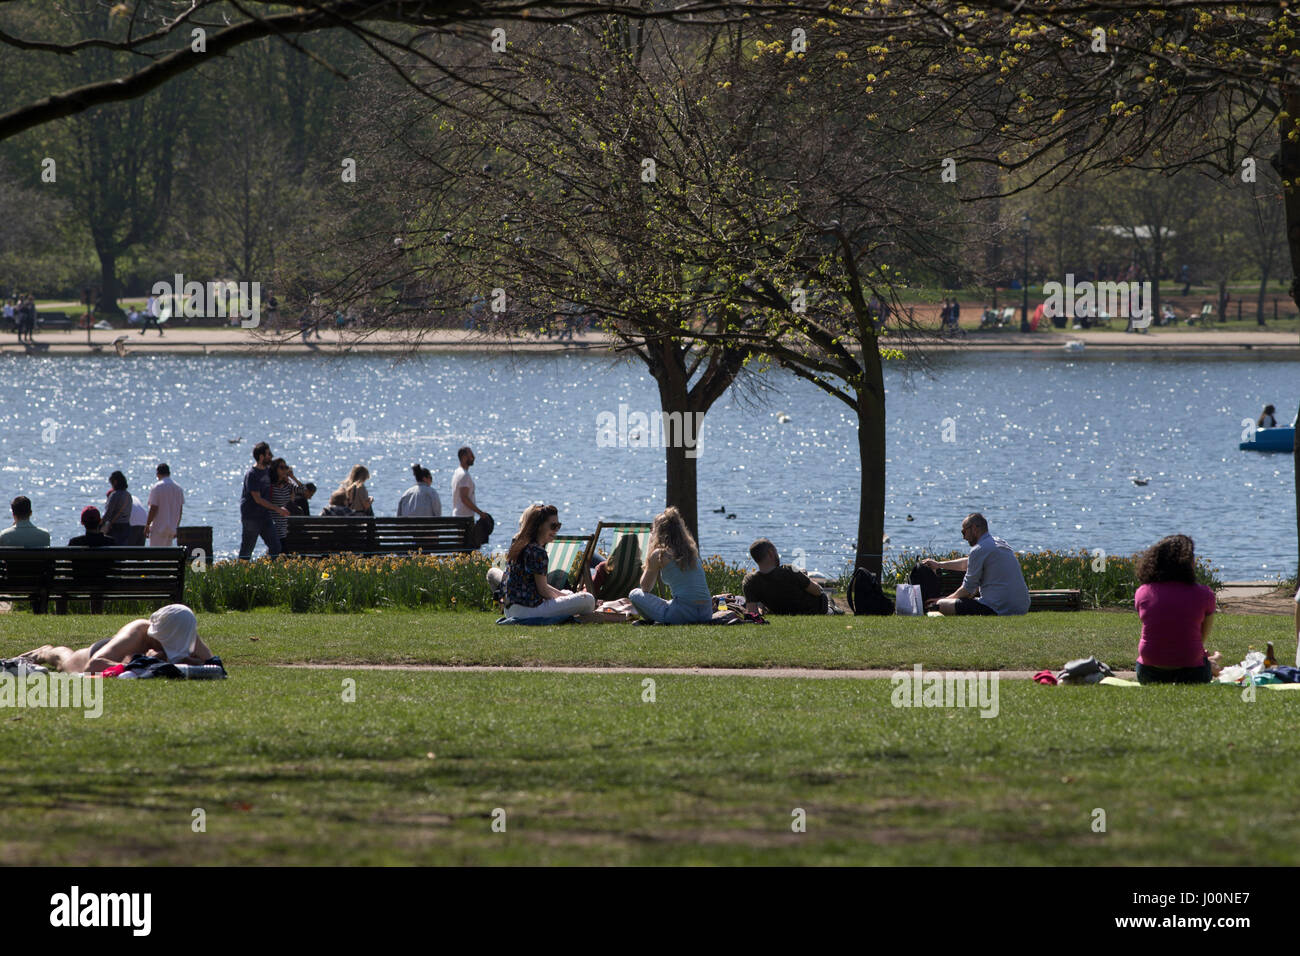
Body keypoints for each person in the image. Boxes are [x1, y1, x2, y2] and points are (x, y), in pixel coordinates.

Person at [17, 604, 214, 674]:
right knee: (62, 662)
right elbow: (93, 666)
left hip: (117, 655)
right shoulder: (138, 631)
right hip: (95, 655)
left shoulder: (183, 629)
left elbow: (211, 664)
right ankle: (43, 651)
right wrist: (144, 663)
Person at [1133, 535, 1221, 684]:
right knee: (1201, 661)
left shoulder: (1143, 592)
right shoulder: (1205, 594)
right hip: (1192, 674)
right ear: (1189, 563)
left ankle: (1210, 661)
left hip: (1148, 672)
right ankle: (1211, 662)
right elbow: (1200, 638)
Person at [922, 512, 1030, 616]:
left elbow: (967, 589)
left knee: (940, 605)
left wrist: (943, 600)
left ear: (974, 528)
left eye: (964, 532)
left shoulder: (979, 549)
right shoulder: (1000, 543)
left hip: (997, 608)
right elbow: (967, 563)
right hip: (1021, 607)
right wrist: (939, 565)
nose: (964, 537)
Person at [502, 504, 596, 620]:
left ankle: (568, 597)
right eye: (553, 526)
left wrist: (565, 596)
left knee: (567, 592)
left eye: (558, 526)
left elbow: (541, 587)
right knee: (588, 599)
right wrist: (563, 598)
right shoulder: (537, 551)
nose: (556, 530)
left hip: (510, 610)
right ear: (540, 526)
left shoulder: (519, 543)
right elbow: (543, 590)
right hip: (529, 611)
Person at [627, 507, 713, 624]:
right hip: (706, 613)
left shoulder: (660, 554)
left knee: (634, 594)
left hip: (681, 613)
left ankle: (654, 621)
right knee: (671, 602)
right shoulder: (691, 552)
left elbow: (645, 587)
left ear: (658, 533)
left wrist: (650, 556)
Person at [742, 538, 827, 615]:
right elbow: (817, 591)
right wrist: (806, 578)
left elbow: (752, 612)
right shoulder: (789, 570)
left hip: (778, 611)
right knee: (826, 596)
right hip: (812, 609)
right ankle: (833, 609)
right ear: (770, 553)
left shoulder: (750, 581)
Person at [239, 442, 288, 560]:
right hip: (251, 517)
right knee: (247, 550)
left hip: (265, 516)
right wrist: (277, 509)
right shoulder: (252, 474)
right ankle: (239, 573)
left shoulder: (267, 471)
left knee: (276, 546)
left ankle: (267, 570)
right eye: (268, 454)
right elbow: (258, 499)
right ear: (261, 457)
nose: (271, 456)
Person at [451, 446, 493, 546]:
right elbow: (464, 498)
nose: (474, 457)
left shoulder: (458, 472)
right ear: (464, 457)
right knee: (466, 548)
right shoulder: (464, 475)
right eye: (471, 455)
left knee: (462, 547)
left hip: (459, 515)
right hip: (464, 518)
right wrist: (480, 512)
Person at [144, 463, 185, 546]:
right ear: (169, 473)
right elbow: (180, 510)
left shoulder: (157, 487)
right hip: (171, 528)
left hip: (159, 528)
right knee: (167, 556)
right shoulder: (178, 488)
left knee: (155, 555)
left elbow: (154, 508)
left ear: (158, 474)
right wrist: (177, 526)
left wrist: (147, 525)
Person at [268, 458, 303, 544]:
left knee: (279, 549)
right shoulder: (270, 486)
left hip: (283, 525)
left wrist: (292, 477)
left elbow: (302, 489)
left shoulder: (287, 485)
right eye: (281, 467)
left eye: (286, 467)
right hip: (272, 523)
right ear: (275, 469)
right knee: (277, 548)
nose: (284, 470)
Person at [100, 471, 133, 545]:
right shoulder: (128, 495)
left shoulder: (115, 495)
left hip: (115, 527)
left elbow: (108, 513)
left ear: (115, 482)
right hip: (126, 526)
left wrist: (100, 525)